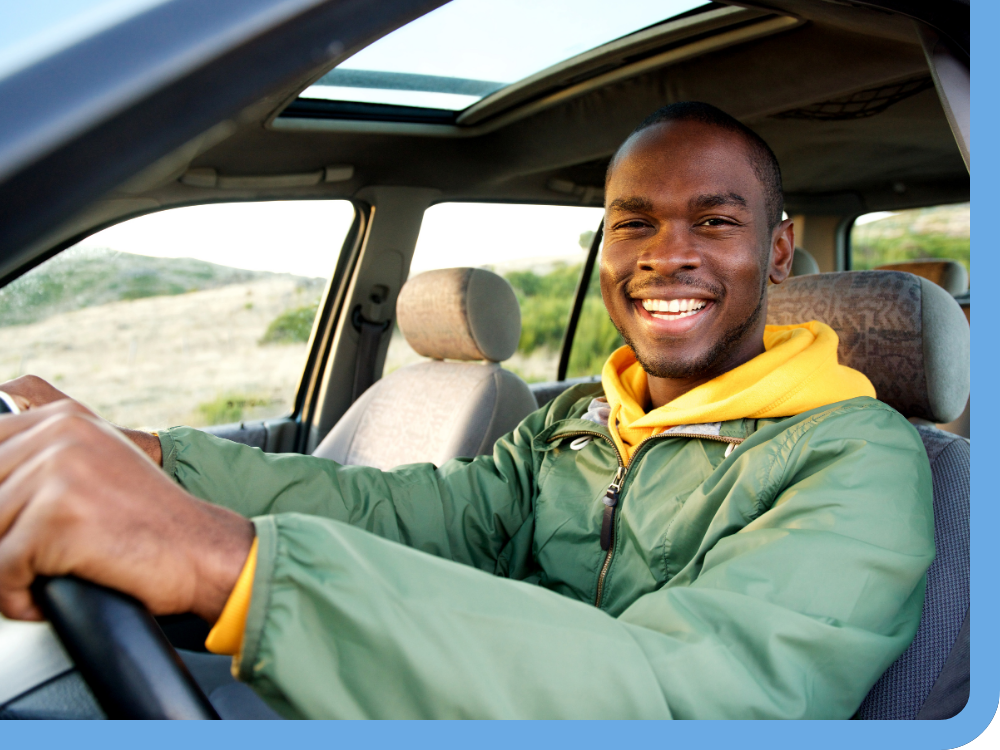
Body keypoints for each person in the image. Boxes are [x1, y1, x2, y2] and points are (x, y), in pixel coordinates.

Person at [0, 102, 933, 719]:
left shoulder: (858, 462)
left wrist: (224, 563)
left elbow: (687, 700)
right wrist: (159, 462)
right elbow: (406, 512)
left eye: (715, 222)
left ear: (776, 255)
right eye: (633, 221)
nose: (665, 255)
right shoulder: (572, 423)